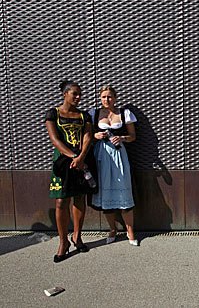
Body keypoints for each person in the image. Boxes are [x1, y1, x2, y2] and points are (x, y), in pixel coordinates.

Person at [46, 80, 94, 262]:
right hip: (62, 162)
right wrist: (72, 156)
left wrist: (81, 157)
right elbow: (54, 138)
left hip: (81, 161)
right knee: (60, 201)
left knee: (80, 198)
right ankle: (63, 242)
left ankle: (77, 236)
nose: (78, 97)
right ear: (65, 94)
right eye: (75, 93)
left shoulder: (84, 116)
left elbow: (88, 135)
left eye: (80, 94)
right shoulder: (54, 113)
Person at [89, 85, 138, 246]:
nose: (106, 100)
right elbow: (87, 135)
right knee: (105, 190)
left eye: (109, 96)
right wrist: (95, 135)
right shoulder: (94, 114)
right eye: (103, 97)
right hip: (102, 155)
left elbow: (133, 136)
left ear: (115, 98)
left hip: (119, 155)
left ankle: (130, 230)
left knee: (123, 188)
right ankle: (112, 229)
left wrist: (122, 138)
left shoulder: (124, 113)